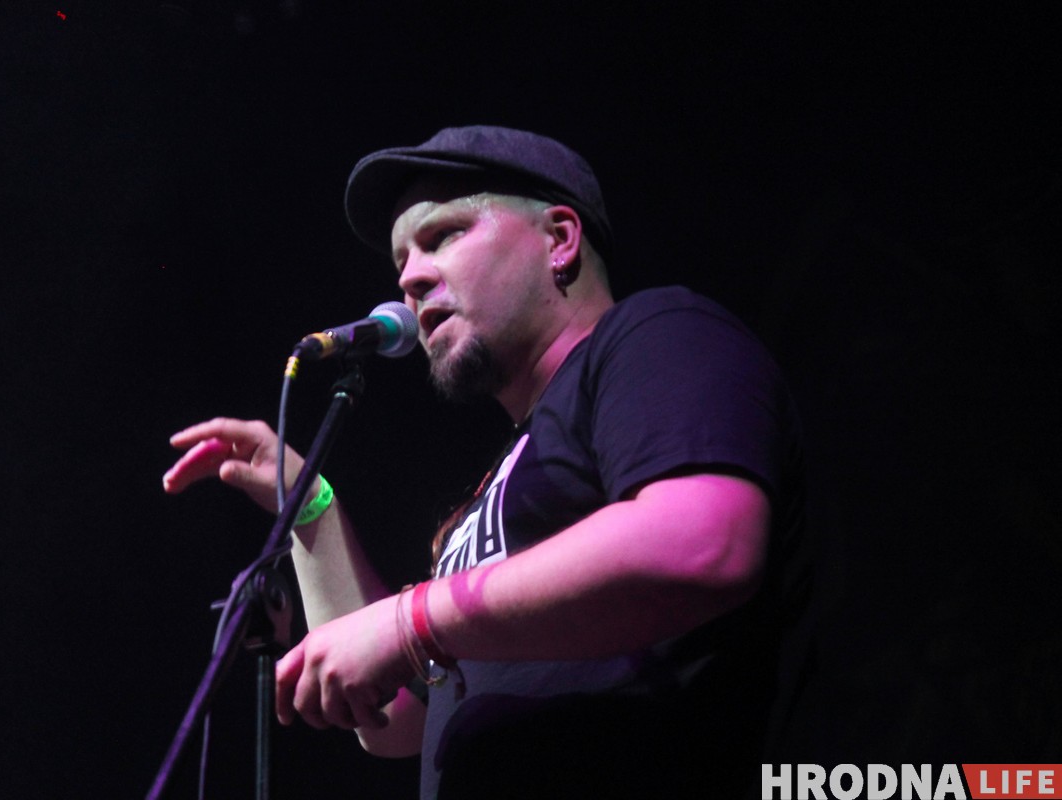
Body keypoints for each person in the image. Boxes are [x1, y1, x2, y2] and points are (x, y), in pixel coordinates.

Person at [163, 126, 806, 798]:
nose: (409, 278)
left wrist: (412, 622)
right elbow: (395, 716)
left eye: (443, 236)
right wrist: (309, 504)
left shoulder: (658, 333)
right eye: (401, 260)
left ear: (560, 240)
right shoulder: (507, 475)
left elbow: (704, 542)